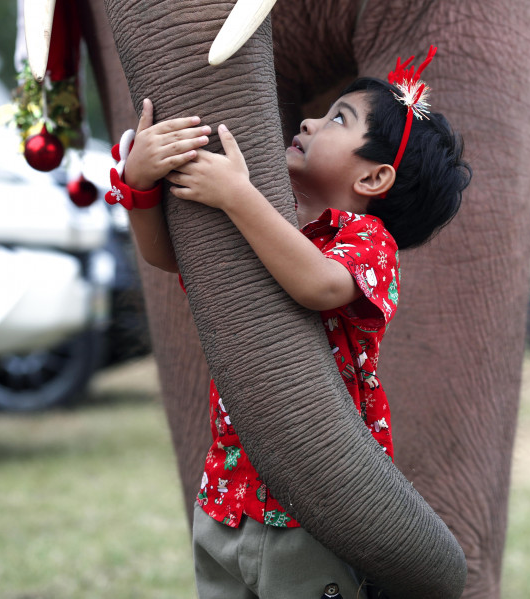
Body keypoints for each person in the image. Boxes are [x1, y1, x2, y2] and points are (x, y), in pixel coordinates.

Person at [105, 47, 471, 599]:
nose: (309, 120)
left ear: (375, 177)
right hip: (226, 499)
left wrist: (237, 195)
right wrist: (140, 185)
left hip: (314, 505)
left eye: (338, 120)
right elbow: (170, 256)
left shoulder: (369, 244)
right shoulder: (267, 222)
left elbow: (320, 286)